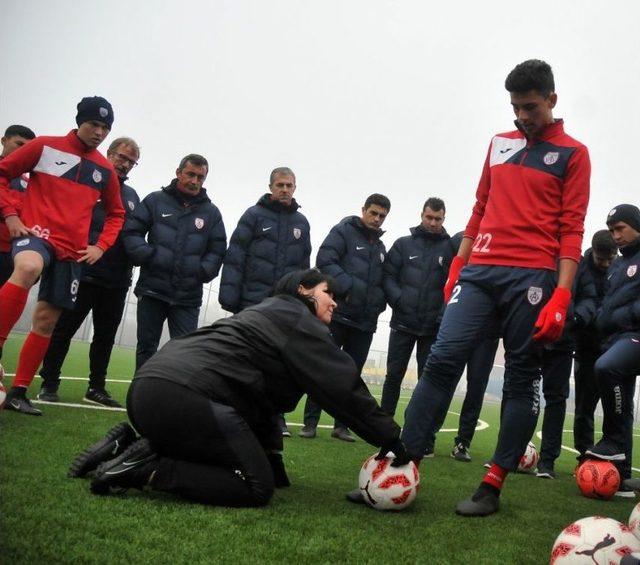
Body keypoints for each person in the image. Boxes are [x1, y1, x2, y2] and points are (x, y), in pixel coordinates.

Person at [396, 60, 590, 516]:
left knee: (522, 376)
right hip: (480, 271)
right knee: (443, 357)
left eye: (530, 107)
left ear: (552, 101)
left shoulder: (573, 154)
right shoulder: (499, 144)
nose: (522, 116)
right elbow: (480, 206)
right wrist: (458, 264)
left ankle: (493, 483)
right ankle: (404, 462)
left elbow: (572, 229)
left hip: (534, 277)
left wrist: (562, 294)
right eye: (515, 107)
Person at [68, 269, 408, 508]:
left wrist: (275, 467)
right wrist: (391, 438)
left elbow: (261, 406)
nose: (334, 303)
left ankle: (129, 442)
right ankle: (142, 469)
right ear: (303, 291)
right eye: (328, 294)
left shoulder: (262, 313)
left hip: (147, 392)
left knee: (250, 468)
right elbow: (340, 386)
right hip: (186, 396)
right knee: (254, 488)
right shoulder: (297, 320)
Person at [0, 97, 125, 415]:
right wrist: (11, 216)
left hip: (71, 252)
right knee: (27, 266)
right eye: (93, 125)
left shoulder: (105, 170)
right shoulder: (43, 146)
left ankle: (18, 392)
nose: (98, 132)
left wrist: (100, 246)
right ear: (79, 121)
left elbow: (116, 214)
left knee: (46, 321)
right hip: (36, 236)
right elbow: (2, 174)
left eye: (105, 128)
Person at [37, 137, 142, 407]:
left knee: (105, 337)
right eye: (121, 157)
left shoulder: (131, 197)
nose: (125, 164)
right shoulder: (86, 179)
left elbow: (132, 235)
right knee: (63, 330)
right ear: (108, 153)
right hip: (80, 271)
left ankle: (96, 388)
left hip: (116, 279)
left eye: (131, 161)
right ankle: (49, 382)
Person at [218, 166, 311, 436]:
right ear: (271, 187)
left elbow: (304, 268)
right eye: (280, 185)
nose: (284, 189)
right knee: (244, 359)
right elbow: (235, 257)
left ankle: (275, 417)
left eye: (289, 185)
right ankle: (237, 411)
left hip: (283, 308)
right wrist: (230, 297)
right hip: (252, 303)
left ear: (295, 188)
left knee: (279, 364)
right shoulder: (254, 215)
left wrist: (301, 302)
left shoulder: (301, 223)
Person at [300, 194, 390, 442]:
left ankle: (342, 426)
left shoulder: (381, 248)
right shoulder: (343, 232)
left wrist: (377, 303)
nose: (376, 219)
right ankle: (310, 423)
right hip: (337, 316)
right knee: (322, 369)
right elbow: (325, 260)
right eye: (373, 213)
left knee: (352, 377)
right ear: (363, 210)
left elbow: (383, 281)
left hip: (365, 322)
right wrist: (347, 289)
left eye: (382, 216)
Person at [123, 154, 226, 370]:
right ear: (178, 173)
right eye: (190, 174)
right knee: (146, 348)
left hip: (187, 297)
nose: (195, 181)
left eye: (200, 177)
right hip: (152, 290)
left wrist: (201, 271)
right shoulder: (155, 200)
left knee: (185, 353)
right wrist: (148, 256)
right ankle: (142, 399)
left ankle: (174, 401)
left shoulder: (211, 212)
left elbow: (217, 251)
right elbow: (132, 232)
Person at [380, 197, 453, 417]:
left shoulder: (450, 248)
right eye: (429, 217)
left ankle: (416, 428)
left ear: (443, 219)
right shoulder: (403, 244)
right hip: (403, 322)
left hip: (432, 327)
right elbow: (388, 276)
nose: (432, 223)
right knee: (393, 375)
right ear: (421, 215)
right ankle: (384, 424)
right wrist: (398, 299)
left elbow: (453, 282)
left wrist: (442, 315)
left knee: (426, 380)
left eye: (437, 219)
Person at [586, 205, 640, 495]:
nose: (616, 236)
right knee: (623, 402)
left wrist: (625, 316)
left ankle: (614, 440)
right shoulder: (618, 265)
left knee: (607, 368)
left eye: (621, 228)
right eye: (612, 230)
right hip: (617, 338)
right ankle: (621, 479)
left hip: (635, 334)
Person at [572, 230, 617, 460]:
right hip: (586, 349)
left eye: (611, 259)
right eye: (602, 260)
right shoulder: (579, 268)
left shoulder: (621, 268)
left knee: (616, 408)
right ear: (593, 252)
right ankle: (584, 457)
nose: (607, 264)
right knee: (584, 408)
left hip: (613, 349)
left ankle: (616, 456)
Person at [0, 125, 36, 286]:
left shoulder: (29, 183)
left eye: (28, 148)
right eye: (19, 144)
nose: (23, 151)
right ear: (4, 141)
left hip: (12, 254)